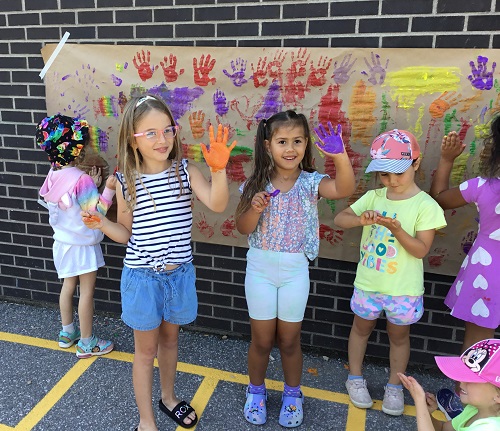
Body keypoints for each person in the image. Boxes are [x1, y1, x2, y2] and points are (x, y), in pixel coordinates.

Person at [82, 94, 236, 431]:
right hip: (142, 279)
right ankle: (146, 420)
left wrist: (219, 171)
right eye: (150, 133)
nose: (162, 139)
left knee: (170, 341)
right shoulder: (127, 181)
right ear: (132, 140)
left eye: (167, 130)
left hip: (178, 276)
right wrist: (102, 224)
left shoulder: (186, 170)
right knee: (144, 351)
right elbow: (125, 232)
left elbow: (217, 203)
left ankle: (168, 399)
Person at [235, 111, 356, 427]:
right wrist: (255, 208)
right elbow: (242, 227)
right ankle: (256, 391)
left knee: (289, 340)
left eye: (298, 141)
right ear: (268, 145)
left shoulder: (311, 182)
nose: (290, 148)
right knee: (261, 340)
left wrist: (339, 156)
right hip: (260, 269)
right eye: (282, 141)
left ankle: (292, 394)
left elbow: (343, 188)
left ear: (306, 145)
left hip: (294, 271)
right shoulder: (256, 184)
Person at [333, 129, 447, 416]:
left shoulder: (426, 205)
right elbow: (339, 218)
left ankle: (395, 386)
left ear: (416, 164)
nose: (391, 180)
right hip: (369, 283)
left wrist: (397, 230)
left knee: (399, 336)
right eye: (384, 174)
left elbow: (421, 249)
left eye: (398, 173)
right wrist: (360, 218)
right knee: (360, 329)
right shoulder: (374, 196)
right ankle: (355, 378)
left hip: (403, 289)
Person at [429, 116, 500, 419]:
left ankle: (467, 409)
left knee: (477, 345)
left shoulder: (483, 186)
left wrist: (446, 160)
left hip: (486, 275)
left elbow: (439, 200)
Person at [36, 114, 116, 358]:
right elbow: (96, 214)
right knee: (87, 292)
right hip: (83, 246)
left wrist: (90, 184)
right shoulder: (81, 181)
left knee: (67, 287)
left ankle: (66, 332)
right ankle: (87, 342)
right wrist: (107, 189)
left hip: (62, 244)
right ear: (77, 149)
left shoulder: (54, 174)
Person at [398, 338, 500, 430]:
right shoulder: (474, 410)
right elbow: (443, 429)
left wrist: (419, 401)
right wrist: (427, 412)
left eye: (471, 380)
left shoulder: (489, 428)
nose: (461, 382)